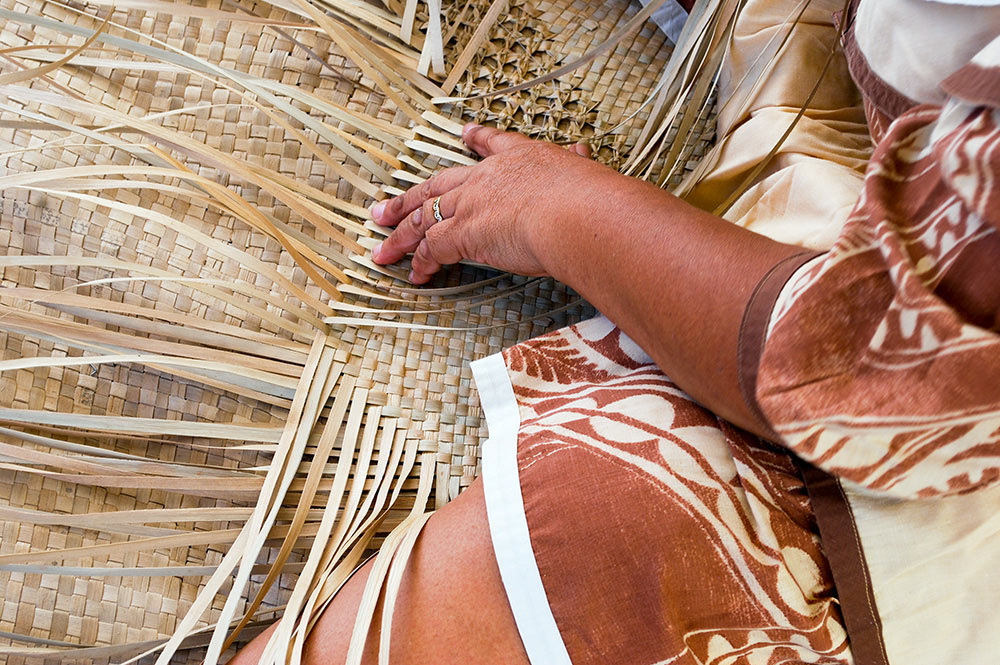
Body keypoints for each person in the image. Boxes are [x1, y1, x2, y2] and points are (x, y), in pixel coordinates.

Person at [232, 0, 1000, 663]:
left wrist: (560, 210)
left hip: (926, 464)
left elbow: (861, 369)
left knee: (617, 533)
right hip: (906, 177)